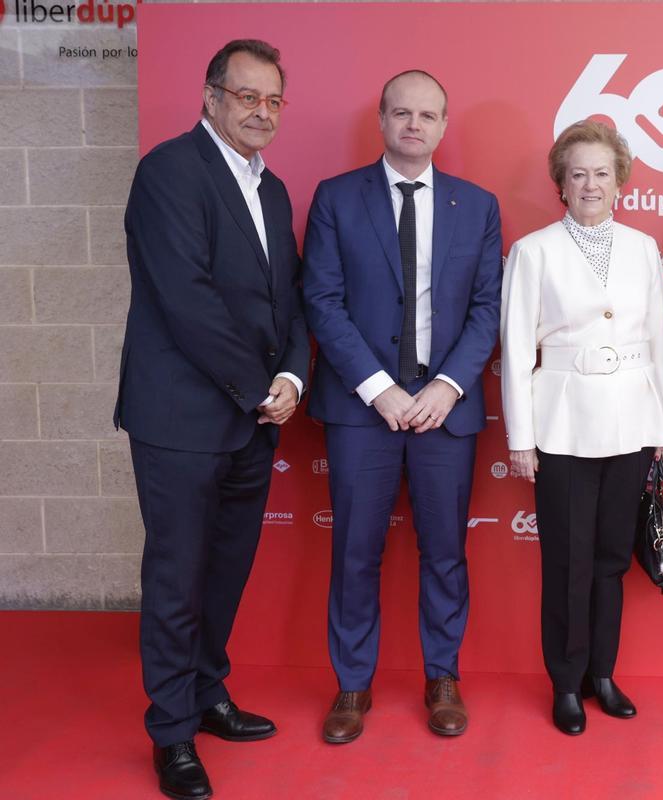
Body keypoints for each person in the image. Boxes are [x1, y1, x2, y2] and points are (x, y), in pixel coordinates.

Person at [115, 39, 309, 800]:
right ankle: (170, 732)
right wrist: (259, 384)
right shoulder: (169, 172)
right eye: (245, 96)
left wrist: (291, 375)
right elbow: (186, 300)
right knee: (177, 576)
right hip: (183, 418)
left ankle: (205, 693)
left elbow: (285, 299)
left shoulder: (274, 189)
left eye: (272, 100)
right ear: (211, 96)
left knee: (224, 573)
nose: (260, 112)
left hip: (253, 416)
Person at [303, 70, 502, 743]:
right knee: (355, 552)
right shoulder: (335, 199)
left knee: (445, 551)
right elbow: (322, 302)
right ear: (383, 121)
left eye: (428, 115)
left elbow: (486, 308)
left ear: (444, 126)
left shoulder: (478, 207)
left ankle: (442, 677)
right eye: (401, 113)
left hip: (446, 411)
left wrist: (446, 387)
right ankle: (352, 685)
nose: (414, 125)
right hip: (364, 410)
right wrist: (378, 388)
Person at [501, 120, 663, 736]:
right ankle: (567, 681)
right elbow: (518, 347)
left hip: (631, 420)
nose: (591, 184)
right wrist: (520, 437)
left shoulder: (642, 248)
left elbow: (659, 339)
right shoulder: (533, 250)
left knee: (609, 557)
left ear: (620, 181)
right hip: (562, 424)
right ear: (561, 182)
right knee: (568, 560)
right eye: (578, 173)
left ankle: (603, 673)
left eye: (603, 172)